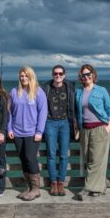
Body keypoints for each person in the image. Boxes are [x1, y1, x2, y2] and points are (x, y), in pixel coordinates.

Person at [75, 64, 110, 201]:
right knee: (88, 158)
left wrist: (109, 125)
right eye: (83, 75)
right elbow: (76, 111)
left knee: (96, 160)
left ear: (93, 75)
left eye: (88, 74)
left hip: (99, 128)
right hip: (85, 129)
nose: (86, 77)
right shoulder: (78, 92)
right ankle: (100, 186)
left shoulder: (101, 90)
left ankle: (86, 189)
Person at [8, 66, 47, 201]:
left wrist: (39, 131)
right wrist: (9, 129)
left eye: (26, 76)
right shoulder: (14, 92)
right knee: (23, 159)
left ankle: (36, 189)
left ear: (31, 77)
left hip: (32, 133)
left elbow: (43, 113)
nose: (23, 78)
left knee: (31, 159)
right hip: (17, 133)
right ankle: (29, 187)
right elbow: (10, 113)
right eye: (21, 75)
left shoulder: (38, 92)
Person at [41, 65, 76, 196]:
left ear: (64, 75)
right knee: (51, 155)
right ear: (52, 75)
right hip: (50, 122)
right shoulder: (46, 87)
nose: (58, 76)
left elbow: (76, 104)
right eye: (55, 73)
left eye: (60, 74)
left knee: (63, 155)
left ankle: (61, 183)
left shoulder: (70, 87)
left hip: (65, 123)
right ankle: (53, 183)